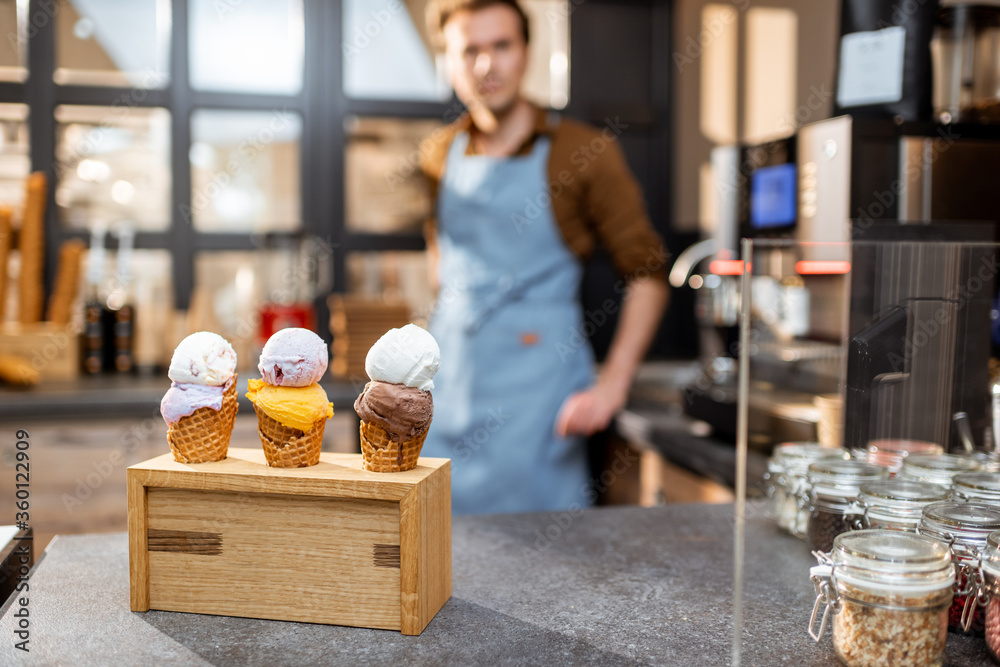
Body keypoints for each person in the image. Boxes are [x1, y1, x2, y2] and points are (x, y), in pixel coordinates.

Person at [420, 0, 669, 514]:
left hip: (540, 402)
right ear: (447, 61)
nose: (487, 66)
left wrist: (611, 387)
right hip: (451, 390)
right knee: (439, 557)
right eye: (470, 51)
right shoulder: (437, 154)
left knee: (545, 571)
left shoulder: (585, 153)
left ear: (526, 52)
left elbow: (649, 275)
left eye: (502, 46)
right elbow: (440, 263)